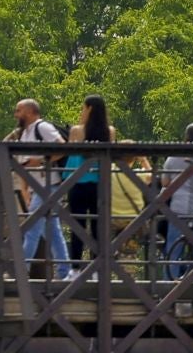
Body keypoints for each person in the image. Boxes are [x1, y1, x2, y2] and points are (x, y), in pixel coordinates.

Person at [14, 98, 71, 281]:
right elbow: (24, 163)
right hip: (36, 187)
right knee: (52, 231)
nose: (16, 114)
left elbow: (62, 147)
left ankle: (21, 271)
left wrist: (42, 161)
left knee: (32, 228)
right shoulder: (25, 133)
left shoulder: (43, 128)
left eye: (19, 110)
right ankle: (65, 271)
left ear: (30, 112)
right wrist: (25, 188)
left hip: (48, 185)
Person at [65, 95, 116, 265]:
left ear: (90, 109)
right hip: (99, 184)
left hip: (78, 183)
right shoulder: (110, 131)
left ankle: (75, 266)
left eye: (83, 108)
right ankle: (97, 266)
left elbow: (72, 156)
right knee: (98, 228)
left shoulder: (76, 131)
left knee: (77, 227)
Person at [161, 123, 193, 279]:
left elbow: (165, 182)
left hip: (177, 209)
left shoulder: (174, 157)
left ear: (186, 136)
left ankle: (168, 287)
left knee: (173, 250)